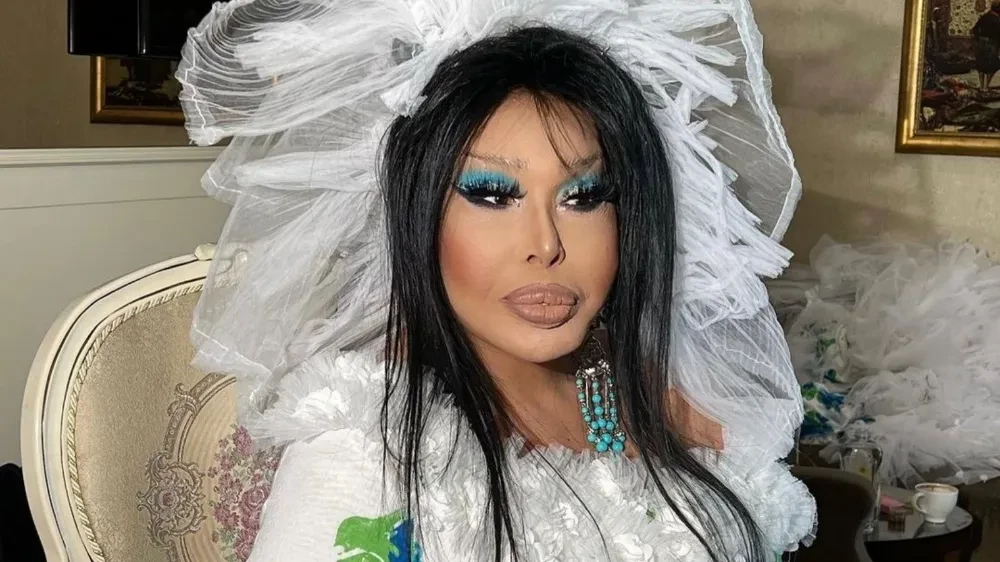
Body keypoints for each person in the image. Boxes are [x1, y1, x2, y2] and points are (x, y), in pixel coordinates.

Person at [177, 1, 816, 560]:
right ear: (418, 216)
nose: (546, 245)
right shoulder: (365, 448)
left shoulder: (670, 408)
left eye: (583, 196)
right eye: (491, 193)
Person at [973, 1, 1000, 92]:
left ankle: (982, 86)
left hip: (981, 43)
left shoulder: (984, 17)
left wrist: (978, 40)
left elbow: (975, 29)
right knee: (992, 66)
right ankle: (986, 86)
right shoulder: (997, 19)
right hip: (992, 45)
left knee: (981, 65)